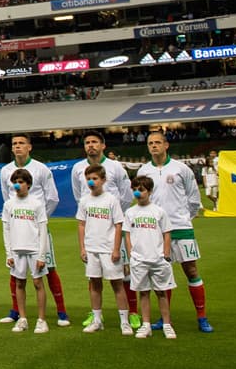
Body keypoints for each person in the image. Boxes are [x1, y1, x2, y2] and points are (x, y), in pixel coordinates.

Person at [136, 130, 212, 333]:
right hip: (156, 231)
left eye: (157, 142)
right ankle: (164, 318)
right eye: (151, 143)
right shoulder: (143, 171)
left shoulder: (181, 169)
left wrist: (185, 218)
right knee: (162, 274)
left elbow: (194, 198)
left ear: (166, 145)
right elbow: (142, 199)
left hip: (181, 228)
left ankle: (202, 317)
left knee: (191, 271)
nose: (154, 146)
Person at [0, 133, 69, 326]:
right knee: (15, 272)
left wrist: (38, 220)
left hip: (37, 229)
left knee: (49, 268)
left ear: (30, 147)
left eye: (21, 143)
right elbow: (7, 197)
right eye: (14, 144)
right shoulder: (5, 171)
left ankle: (61, 311)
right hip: (17, 228)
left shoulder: (41, 169)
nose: (18, 146)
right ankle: (16, 312)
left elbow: (53, 198)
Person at [70, 130, 139, 328]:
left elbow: (126, 195)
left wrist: (115, 216)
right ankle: (96, 315)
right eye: (87, 142)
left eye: (94, 142)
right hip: (93, 228)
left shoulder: (115, 167)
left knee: (123, 274)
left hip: (114, 228)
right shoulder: (77, 168)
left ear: (103, 145)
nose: (90, 145)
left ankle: (131, 313)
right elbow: (78, 195)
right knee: (93, 276)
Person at [75, 164, 131, 336]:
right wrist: (83, 248)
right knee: (95, 284)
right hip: (92, 249)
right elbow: (82, 224)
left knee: (117, 284)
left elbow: (118, 225)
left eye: (95, 179)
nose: (92, 182)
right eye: (89, 179)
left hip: (108, 249)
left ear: (103, 180)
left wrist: (116, 249)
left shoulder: (111, 200)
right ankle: (97, 320)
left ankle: (124, 322)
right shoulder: (85, 201)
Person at [123, 176, 176, 339]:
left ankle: (167, 324)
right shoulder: (130, 212)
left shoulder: (158, 211)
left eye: (142, 190)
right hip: (139, 260)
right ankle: (146, 325)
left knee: (161, 292)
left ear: (150, 191)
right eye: (135, 190)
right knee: (143, 293)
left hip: (158, 258)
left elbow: (167, 233)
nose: (138, 193)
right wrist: (131, 254)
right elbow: (127, 235)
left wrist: (166, 253)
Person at [1, 168, 50, 334]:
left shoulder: (36, 203)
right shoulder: (8, 204)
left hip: (34, 249)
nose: (17, 185)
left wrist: (42, 255)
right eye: (15, 182)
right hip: (16, 250)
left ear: (28, 184)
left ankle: (42, 320)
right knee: (19, 283)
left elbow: (43, 229)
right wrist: (9, 253)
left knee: (38, 283)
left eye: (21, 182)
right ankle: (22, 319)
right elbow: (6, 229)